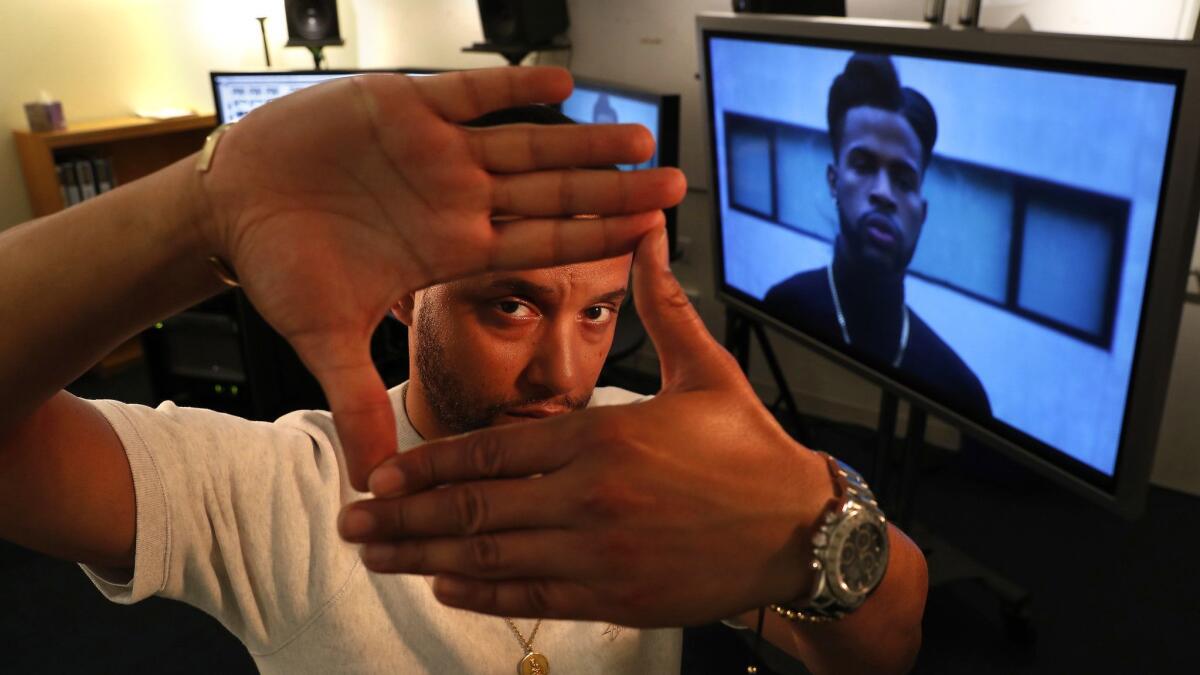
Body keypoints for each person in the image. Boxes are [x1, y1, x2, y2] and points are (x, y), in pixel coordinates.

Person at [0, 68, 925, 674]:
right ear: (405, 291)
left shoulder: (647, 455)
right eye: (510, 305)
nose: (563, 373)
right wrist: (199, 210)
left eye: (599, 311)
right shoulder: (284, 489)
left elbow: (893, 640)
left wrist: (810, 512)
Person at [763, 53, 991, 417]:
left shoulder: (959, 392)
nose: (884, 193)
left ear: (923, 213)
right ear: (833, 181)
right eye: (864, 166)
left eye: (903, 180)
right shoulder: (782, 306)